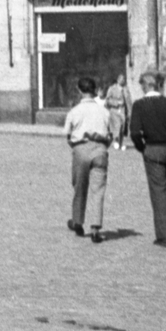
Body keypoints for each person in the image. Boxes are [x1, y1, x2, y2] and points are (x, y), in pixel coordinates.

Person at [129, 69, 166, 248]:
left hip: (153, 150)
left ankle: (164, 236)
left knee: (159, 192)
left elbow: (134, 133)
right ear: (160, 85)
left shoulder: (139, 105)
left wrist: (143, 148)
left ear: (145, 86)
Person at [62, 76, 111, 243]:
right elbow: (111, 134)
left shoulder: (74, 111)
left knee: (79, 187)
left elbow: (67, 135)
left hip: (80, 149)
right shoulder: (104, 111)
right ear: (95, 91)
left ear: (79, 91)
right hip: (100, 150)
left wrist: (76, 147)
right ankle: (96, 228)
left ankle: (77, 221)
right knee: (98, 190)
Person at [104, 71, 129, 150]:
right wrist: (116, 103)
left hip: (122, 110)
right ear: (118, 80)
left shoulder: (126, 89)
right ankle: (116, 141)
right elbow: (107, 100)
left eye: (124, 79)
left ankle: (120, 144)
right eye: (122, 79)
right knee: (116, 126)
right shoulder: (112, 88)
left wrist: (129, 110)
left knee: (122, 127)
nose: (123, 81)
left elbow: (128, 101)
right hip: (114, 110)